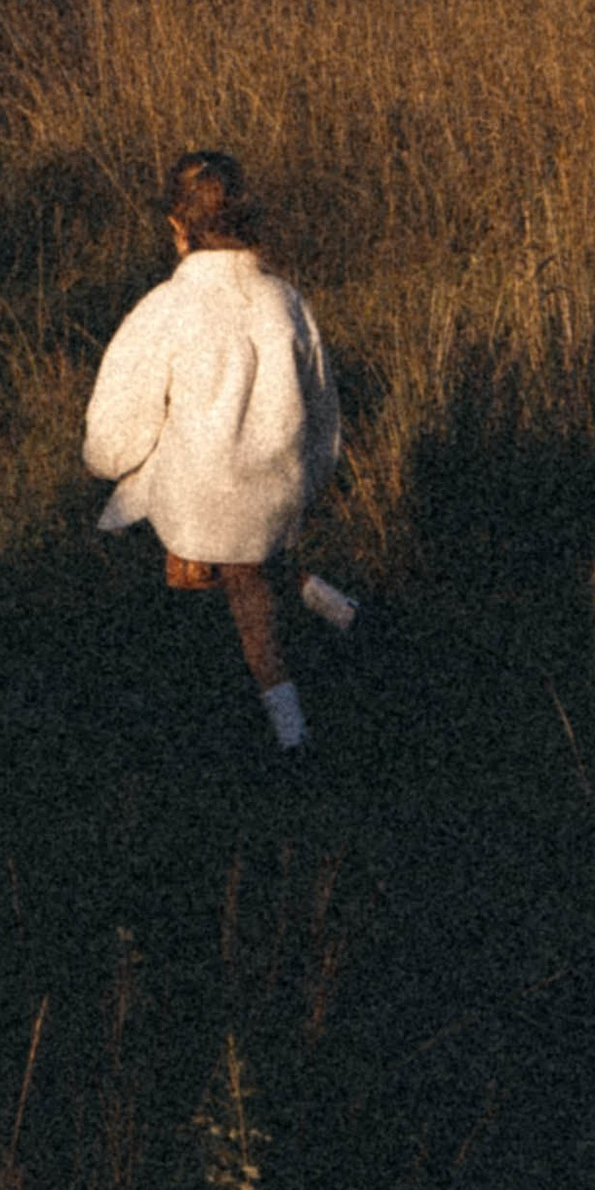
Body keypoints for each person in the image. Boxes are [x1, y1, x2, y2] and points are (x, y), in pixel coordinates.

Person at [82, 150, 354, 752]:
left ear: (177, 227)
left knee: (241, 594)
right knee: (252, 553)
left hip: (203, 504)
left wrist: (111, 464)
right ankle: (335, 607)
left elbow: (113, 431)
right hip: (279, 492)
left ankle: (290, 733)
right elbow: (323, 417)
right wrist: (304, 482)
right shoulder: (287, 301)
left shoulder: (166, 308)